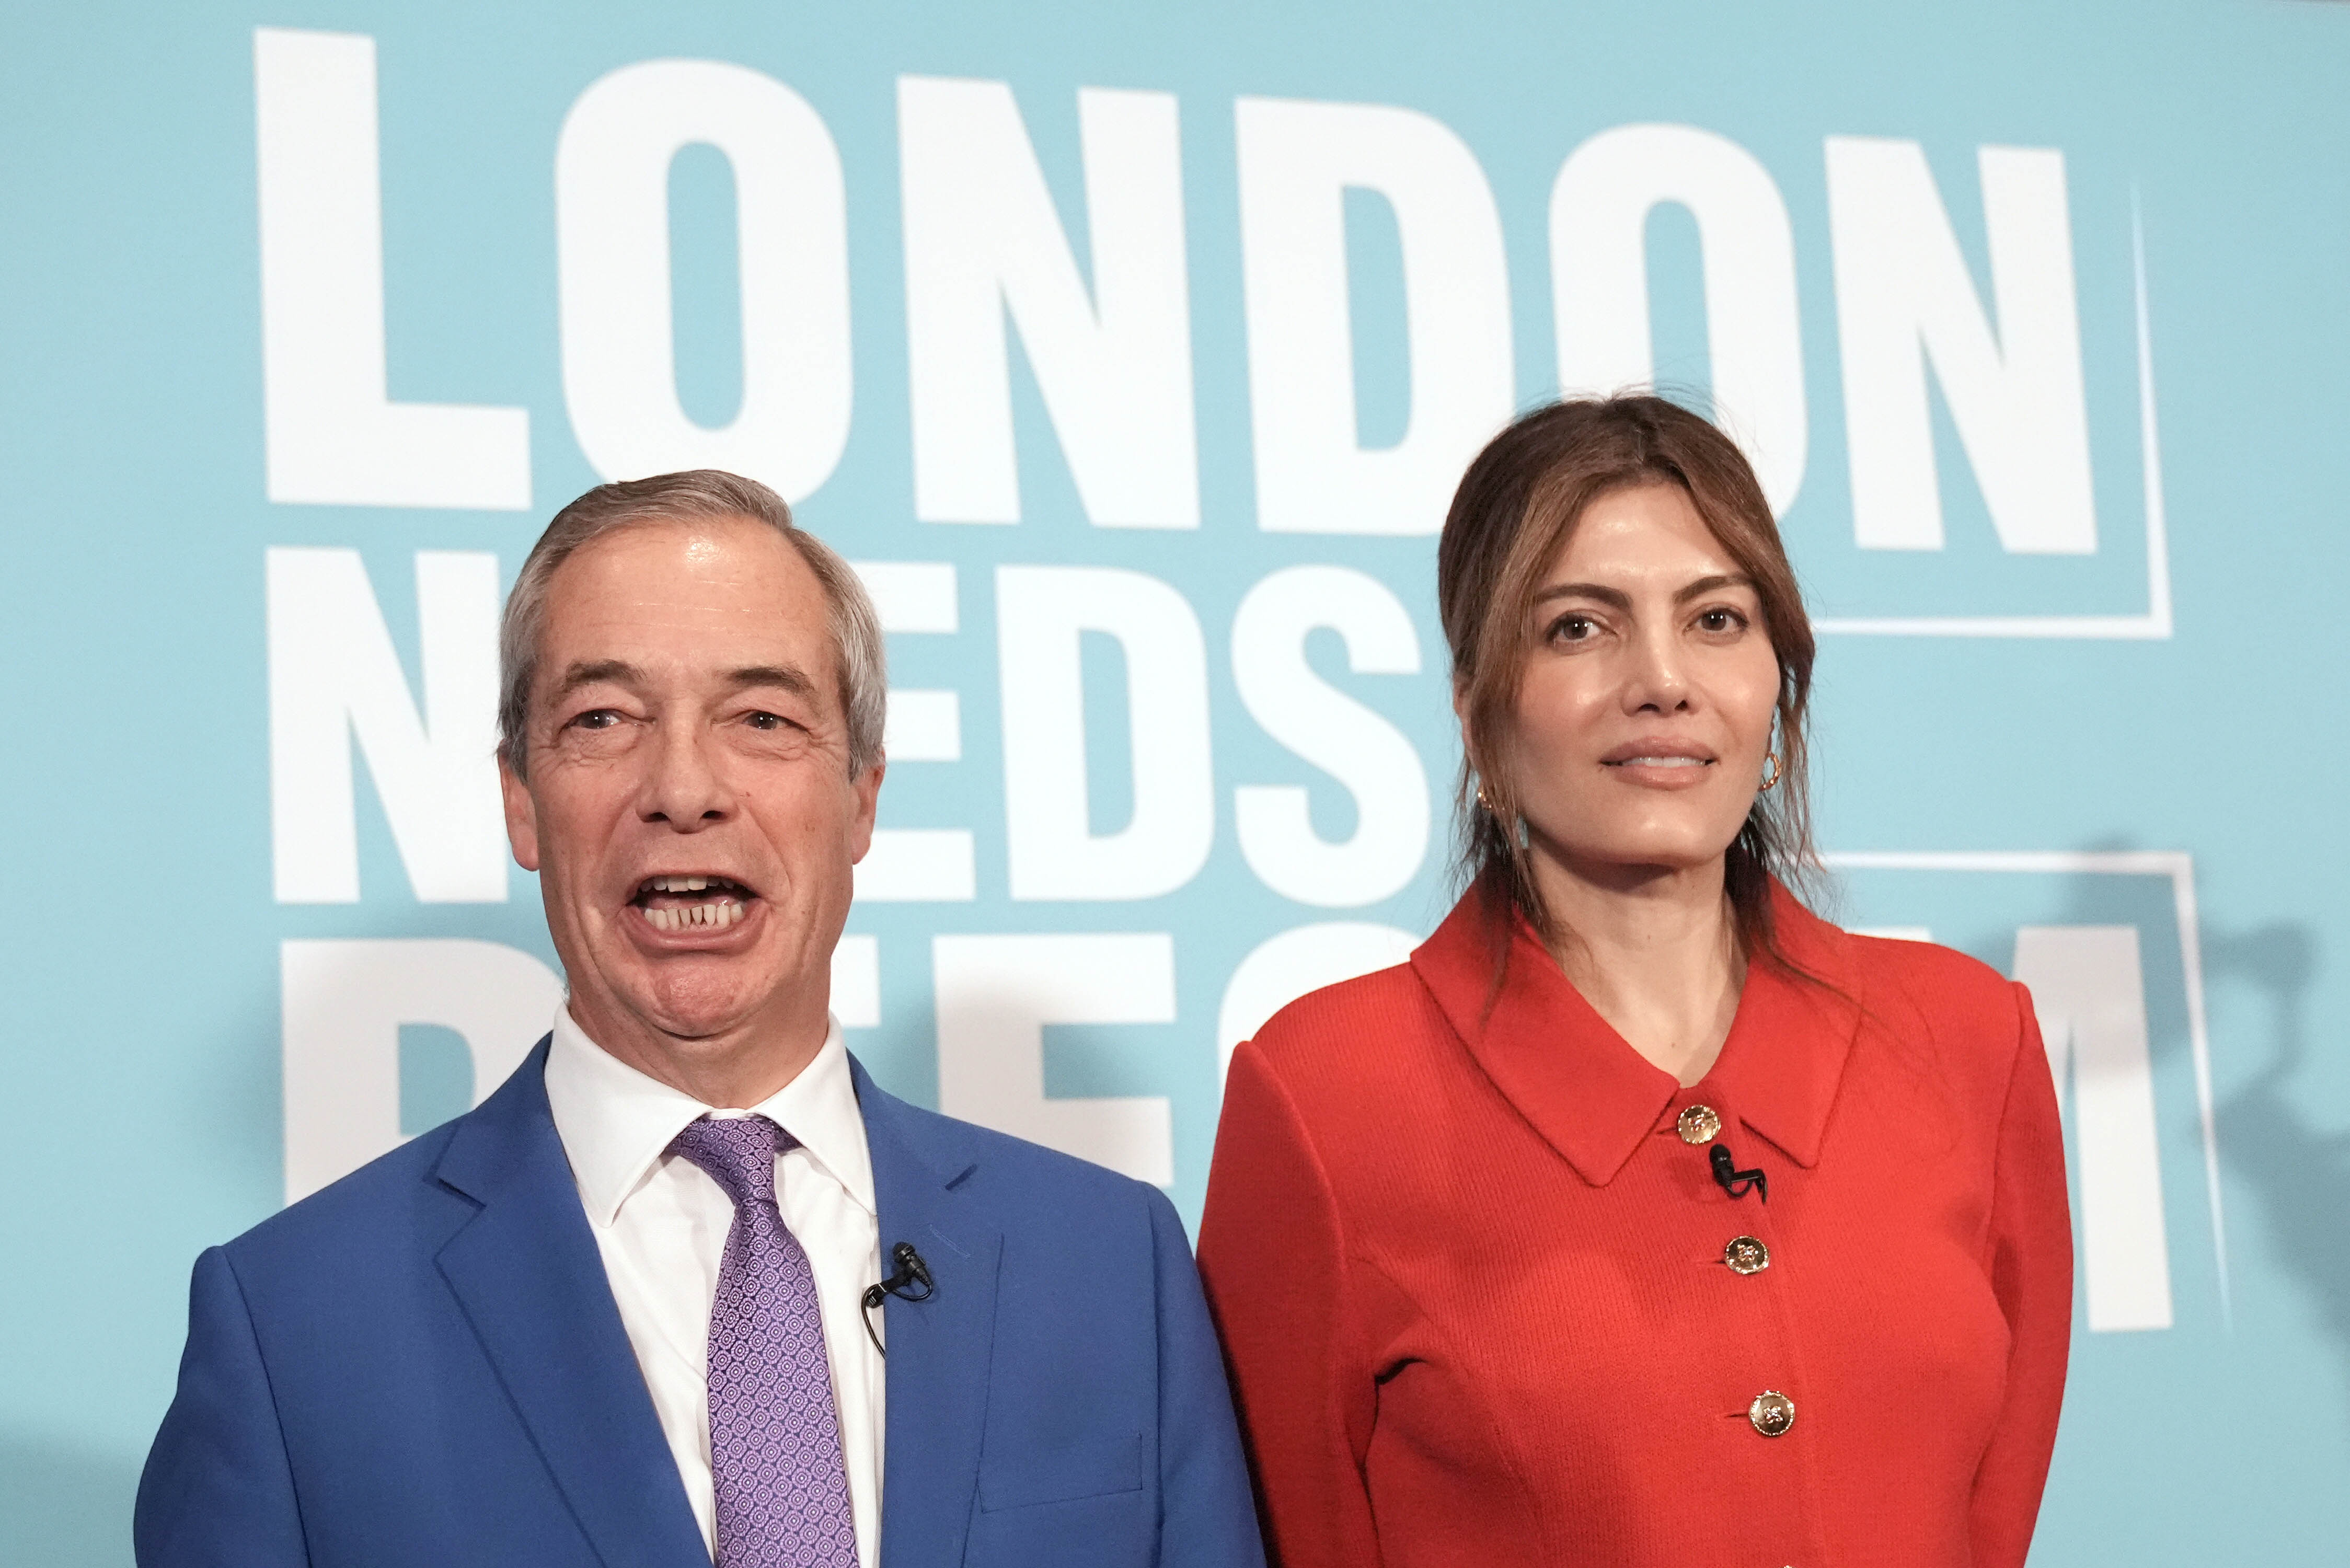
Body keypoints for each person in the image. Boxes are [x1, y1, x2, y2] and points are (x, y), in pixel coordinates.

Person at [137, 471, 1263, 1568]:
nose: (684, 787)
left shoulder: (1112, 1267)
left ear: (862, 796)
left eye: (762, 717)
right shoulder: (291, 1331)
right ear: (521, 798)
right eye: (604, 718)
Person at [1196, 397, 2073, 1568]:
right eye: (1576, 628)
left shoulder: (1971, 1035)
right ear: (1475, 711)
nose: (1662, 681)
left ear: (1778, 691)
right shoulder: (1324, 1093)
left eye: (1716, 618)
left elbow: (1990, 1518)